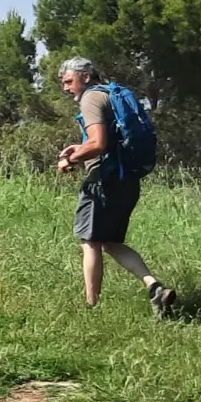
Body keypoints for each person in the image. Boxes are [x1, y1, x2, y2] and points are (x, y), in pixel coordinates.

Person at [56, 57, 177, 314]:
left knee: (89, 242)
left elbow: (98, 144)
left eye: (68, 81)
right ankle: (155, 287)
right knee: (110, 242)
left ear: (86, 77)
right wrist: (80, 148)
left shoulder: (90, 98)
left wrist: (70, 159)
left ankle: (91, 309)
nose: (65, 88)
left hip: (104, 181)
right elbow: (109, 141)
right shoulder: (111, 94)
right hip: (127, 180)